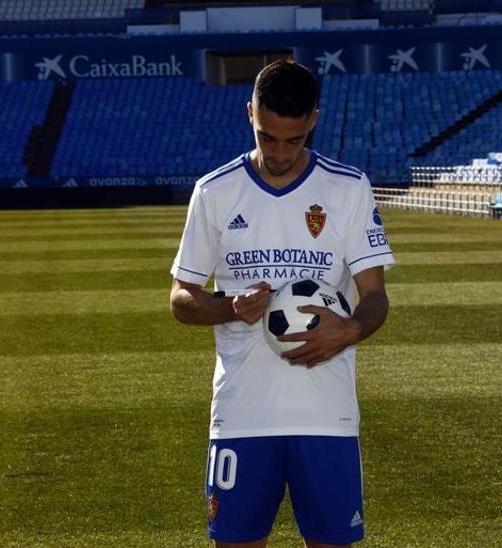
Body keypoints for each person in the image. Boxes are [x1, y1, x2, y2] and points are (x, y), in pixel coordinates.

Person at [168, 59, 393, 548]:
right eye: (267, 136)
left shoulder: (348, 188)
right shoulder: (215, 191)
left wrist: (350, 329)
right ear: (250, 112)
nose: (280, 152)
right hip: (242, 414)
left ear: (313, 120)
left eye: (294, 140)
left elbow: (375, 298)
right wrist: (230, 308)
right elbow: (181, 299)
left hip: (326, 415)